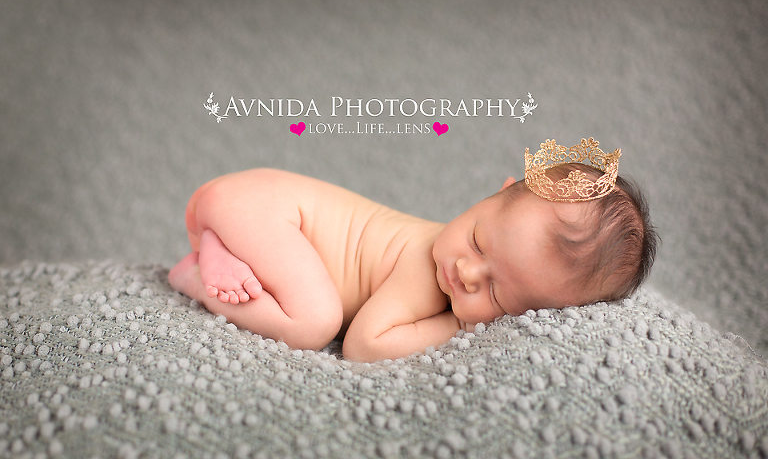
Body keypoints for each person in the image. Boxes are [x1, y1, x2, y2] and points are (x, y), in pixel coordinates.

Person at [169, 138, 658, 362]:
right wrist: (462, 323)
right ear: (492, 194)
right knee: (313, 322)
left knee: (312, 307)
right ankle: (195, 274)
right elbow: (364, 346)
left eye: (498, 294)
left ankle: (222, 249)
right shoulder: (425, 269)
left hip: (250, 213)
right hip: (260, 208)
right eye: (477, 240)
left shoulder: (456, 263)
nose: (467, 272)